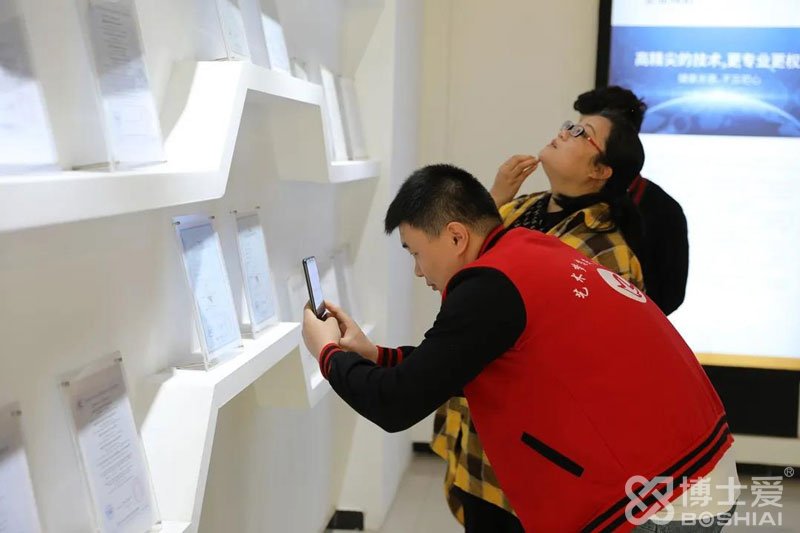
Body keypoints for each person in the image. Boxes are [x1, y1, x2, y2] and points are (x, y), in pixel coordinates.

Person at [301, 164, 737, 532]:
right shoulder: (527, 249)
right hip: (694, 461)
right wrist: (376, 355)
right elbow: (455, 361)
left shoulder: (488, 286)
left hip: (662, 492)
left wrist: (326, 354)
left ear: (456, 237)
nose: (418, 271)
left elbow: (395, 403)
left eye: (415, 252)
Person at [433, 109, 648, 531]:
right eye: (569, 125)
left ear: (601, 170)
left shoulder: (608, 252)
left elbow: (599, 369)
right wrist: (493, 198)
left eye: (580, 133)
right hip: (476, 431)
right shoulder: (521, 207)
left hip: (533, 447)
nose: (564, 133)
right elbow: (451, 276)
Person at [574, 86, 689, 316]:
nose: (569, 137)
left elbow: (670, 294)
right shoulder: (556, 198)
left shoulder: (664, 211)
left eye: (584, 134)